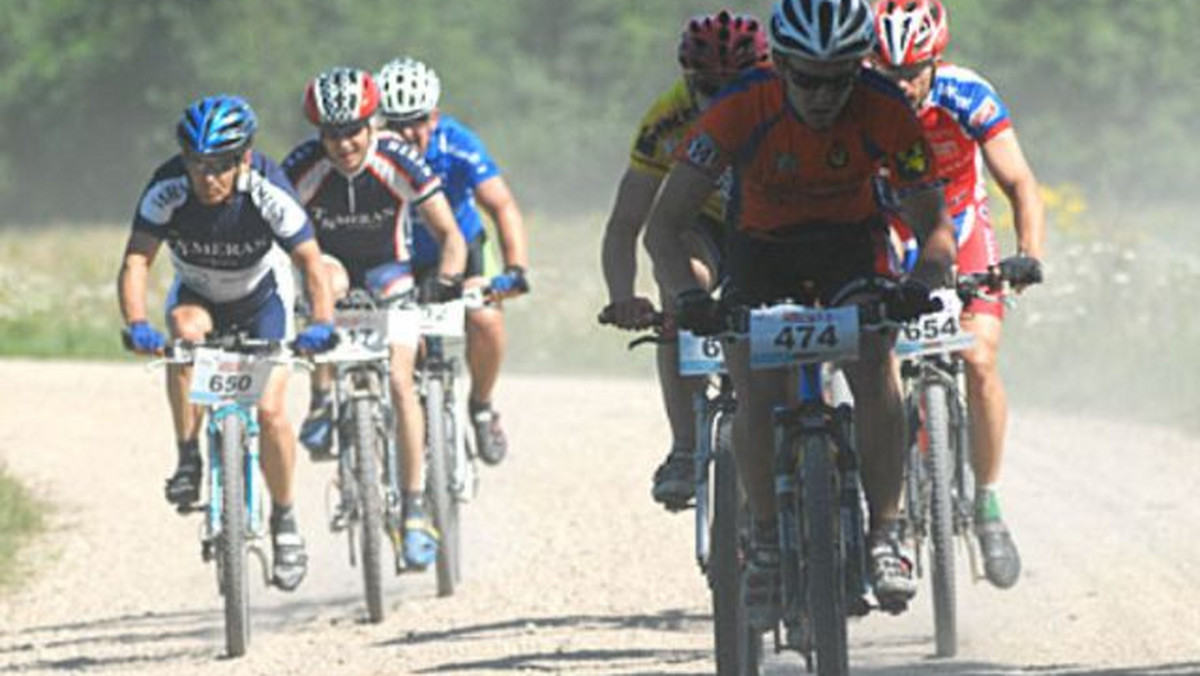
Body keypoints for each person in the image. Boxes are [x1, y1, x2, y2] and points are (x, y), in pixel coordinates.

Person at [644, 0, 957, 625]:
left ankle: (885, 533)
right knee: (755, 390)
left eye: (841, 76)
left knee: (875, 364)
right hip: (760, 253)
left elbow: (934, 227)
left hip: (850, 247)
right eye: (808, 78)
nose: (824, 94)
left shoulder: (885, 108)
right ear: (780, 65)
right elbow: (664, 227)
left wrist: (921, 280)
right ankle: (763, 541)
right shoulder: (738, 110)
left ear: (859, 69)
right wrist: (689, 301)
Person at [117, 94, 337, 591]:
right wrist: (135, 322)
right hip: (198, 295)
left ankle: (285, 523)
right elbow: (136, 261)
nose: (207, 177)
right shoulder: (167, 188)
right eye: (197, 164)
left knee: (271, 413)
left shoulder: (266, 187)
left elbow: (309, 260)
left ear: (243, 157)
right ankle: (188, 455)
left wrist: (321, 321)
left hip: (262, 298)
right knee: (183, 337)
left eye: (220, 165)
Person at [872, 0, 1045, 589]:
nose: (901, 83)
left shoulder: (968, 95)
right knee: (878, 368)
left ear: (935, 60)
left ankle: (988, 504)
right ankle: (884, 517)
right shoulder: (856, 102)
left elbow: (1020, 184)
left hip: (964, 227)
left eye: (913, 69)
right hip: (892, 233)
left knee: (979, 357)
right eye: (888, 70)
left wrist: (1028, 255)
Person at [284, 67, 468, 570]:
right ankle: (323, 401)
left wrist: (447, 281)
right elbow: (275, 241)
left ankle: (413, 509)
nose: (343, 145)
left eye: (353, 131)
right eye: (331, 134)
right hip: (333, 267)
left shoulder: (398, 160)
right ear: (318, 133)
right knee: (328, 284)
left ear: (372, 124)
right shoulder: (302, 167)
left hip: (391, 271)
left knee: (400, 380)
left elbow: (450, 235)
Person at [599, 9, 770, 511]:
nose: (720, 99)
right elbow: (626, 223)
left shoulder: (788, 102)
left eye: (735, 85)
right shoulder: (666, 119)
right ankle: (684, 446)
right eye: (706, 88)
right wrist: (622, 298)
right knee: (682, 286)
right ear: (686, 80)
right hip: (708, 222)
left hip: (778, 221)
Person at [375, 57, 530, 466]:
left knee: (486, 320)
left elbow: (502, 205)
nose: (408, 134)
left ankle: (480, 405)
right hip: (404, 258)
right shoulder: (372, 151)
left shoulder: (457, 141)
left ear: (436, 115)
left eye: (419, 120)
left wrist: (515, 269)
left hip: (463, 248)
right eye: (395, 123)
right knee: (413, 345)